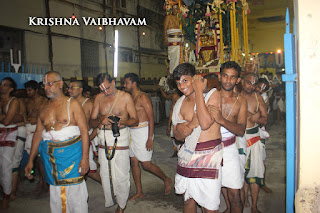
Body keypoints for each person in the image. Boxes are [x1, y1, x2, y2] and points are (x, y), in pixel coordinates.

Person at [25, 71, 90, 213]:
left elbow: (84, 131)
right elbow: (38, 134)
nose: (46, 87)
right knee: (55, 192)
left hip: (72, 155)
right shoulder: (43, 107)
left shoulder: (72, 104)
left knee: (76, 193)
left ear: (60, 84)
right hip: (51, 158)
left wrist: (85, 158)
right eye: (44, 85)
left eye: (50, 83)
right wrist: (30, 160)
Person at [172, 63, 223, 212]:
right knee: (188, 200)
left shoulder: (212, 94)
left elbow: (206, 123)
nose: (181, 86)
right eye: (178, 83)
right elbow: (177, 135)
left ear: (195, 78)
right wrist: (191, 125)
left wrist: (199, 91)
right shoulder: (180, 103)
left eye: (185, 81)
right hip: (187, 156)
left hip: (209, 156)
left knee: (209, 207)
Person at [90, 73, 138, 213]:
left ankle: (121, 205)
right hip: (104, 138)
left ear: (113, 82)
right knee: (105, 172)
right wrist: (101, 119)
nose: (106, 92)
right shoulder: (99, 98)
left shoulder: (125, 97)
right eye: (102, 89)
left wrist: (122, 121)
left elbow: (135, 120)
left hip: (120, 137)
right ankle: (111, 198)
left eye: (108, 88)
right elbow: (91, 121)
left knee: (121, 173)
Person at [123, 73, 172, 201]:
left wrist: (150, 138)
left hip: (143, 132)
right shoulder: (129, 97)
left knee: (146, 164)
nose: (124, 85)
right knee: (134, 162)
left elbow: (151, 118)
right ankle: (139, 192)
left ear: (134, 83)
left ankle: (166, 179)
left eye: (127, 82)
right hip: (132, 132)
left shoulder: (142, 97)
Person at [207, 61, 247, 213]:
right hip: (210, 150)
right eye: (225, 76)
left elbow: (241, 130)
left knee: (235, 194)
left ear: (237, 80)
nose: (228, 81)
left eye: (232, 77)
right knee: (209, 196)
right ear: (219, 76)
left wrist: (222, 119)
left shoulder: (240, 101)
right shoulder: (210, 97)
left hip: (230, 151)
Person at [241, 73, 268, 213]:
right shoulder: (234, 96)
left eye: (254, 83)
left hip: (253, 139)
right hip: (237, 139)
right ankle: (243, 201)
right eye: (249, 82)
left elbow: (265, 120)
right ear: (242, 81)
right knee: (241, 175)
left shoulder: (258, 99)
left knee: (255, 175)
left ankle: (254, 206)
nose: (251, 86)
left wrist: (255, 119)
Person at [68, 80, 101, 183]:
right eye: (68, 88)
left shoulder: (89, 104)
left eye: (72, 88)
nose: (69, 90)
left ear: (80, 89)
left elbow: (98, 123)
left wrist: (90, 138)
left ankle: (108, 186)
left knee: (89, 168)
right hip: (72, 139)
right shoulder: (68, 103)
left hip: (85, 138)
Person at [24, 80, 48, 196]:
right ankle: (41, 181)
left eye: (30, 90)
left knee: (41, 160)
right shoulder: (27, 101)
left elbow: (42, 120)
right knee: (35, 160)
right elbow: (25, 116)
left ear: (36, 90)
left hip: (40, 131)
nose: (28, 92)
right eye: (27, 90)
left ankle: (45, 183)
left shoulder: (44, 102)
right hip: (29, 131)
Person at [0, 77, 21, 209]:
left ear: (11, 89)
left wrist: (7, 119)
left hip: (9, 134)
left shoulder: (14, 101)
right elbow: (7, 119)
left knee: (6, 166)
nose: (2, 87)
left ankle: (6, 196)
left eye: (5, 85)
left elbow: (7, 122)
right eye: (1, 84)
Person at [156, 79, 181, 157]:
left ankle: (179, 151)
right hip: (176, 119)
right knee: (173, 135)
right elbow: (166, 97)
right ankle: (176, 151)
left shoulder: (182, 95)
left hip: (181, 119)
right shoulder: (175, 95)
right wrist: (169, 124)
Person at [255, 78, 272, 194]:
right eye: (259, 87)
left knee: (262, 159)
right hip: (247, 132)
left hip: (259, 131)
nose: (260, 90)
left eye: (263, 89)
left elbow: (263, 118)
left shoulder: (263, 97)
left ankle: (262, 183)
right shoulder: (246, 94)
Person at [164, 4, 183, 73]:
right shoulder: (168, 17)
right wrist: (166, 38)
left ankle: (177, 71)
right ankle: (172, 72)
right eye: (174, 8)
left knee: (179, 56)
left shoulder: (178, 18)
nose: (175, 10)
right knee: (173, 57)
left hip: (178, 39)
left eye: (176, 9)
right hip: (172, 39)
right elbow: (165, 28)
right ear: (171, 9)